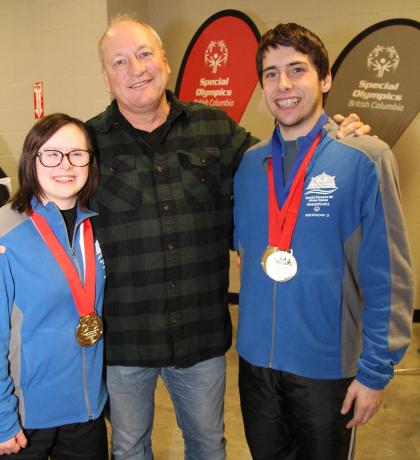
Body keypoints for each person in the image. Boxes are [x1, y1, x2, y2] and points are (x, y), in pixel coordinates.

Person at [88, 15, 371, 460]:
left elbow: (289, 158)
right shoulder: (88, 145)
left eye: (144, 54)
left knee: (206, 445)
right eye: (119, 61)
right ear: (106, 77)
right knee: (128, 447)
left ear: (164, 60)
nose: (136, 68)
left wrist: (338, 134)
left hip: (201, 339)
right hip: (126, 341)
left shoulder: (216, 129)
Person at [233, 22, 413, 460]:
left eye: (297, 69)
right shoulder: (249, 164)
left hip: (327, 368)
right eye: (271, 74)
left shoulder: (365, 159)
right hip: (256, 366)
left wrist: (374, 372)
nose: (284, 84)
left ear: (326, 78)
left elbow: (388, 275)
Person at [0, 113, 108, 459]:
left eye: (77, 153)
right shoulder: (6, 232)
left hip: (86, 411)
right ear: (32, 160)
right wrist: (3, 419)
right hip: (26, 416)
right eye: (51, 153)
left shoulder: (94, 226)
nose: (66, 164)